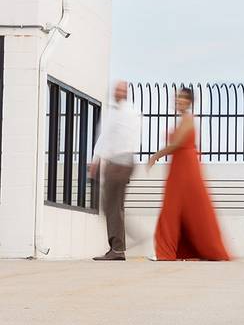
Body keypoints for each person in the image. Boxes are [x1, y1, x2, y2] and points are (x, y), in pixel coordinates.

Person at [147, 88, 230, 261]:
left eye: (183, 98)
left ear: (190, 102)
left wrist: (156, 156)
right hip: (179, 167)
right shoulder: (183, 120)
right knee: (177, 208)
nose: (179, 100)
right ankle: (174, 250)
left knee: (176, 208)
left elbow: (176, 144)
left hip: (186, 169)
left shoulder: (189, 119)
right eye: (178, 97)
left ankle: (167, 251)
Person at [89, 80, 142, 261]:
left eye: (121, 90)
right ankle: (121, 243)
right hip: (117, 163)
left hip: (120, 163)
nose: (117, 93)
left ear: (126, 92)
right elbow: (105, 136)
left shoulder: (128, 113)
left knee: (112, 205)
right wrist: (98, 159)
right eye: (116, 90)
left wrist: (100, 159)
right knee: (111, 205)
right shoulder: (117, 112)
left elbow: (113, 138)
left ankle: (118, 248)